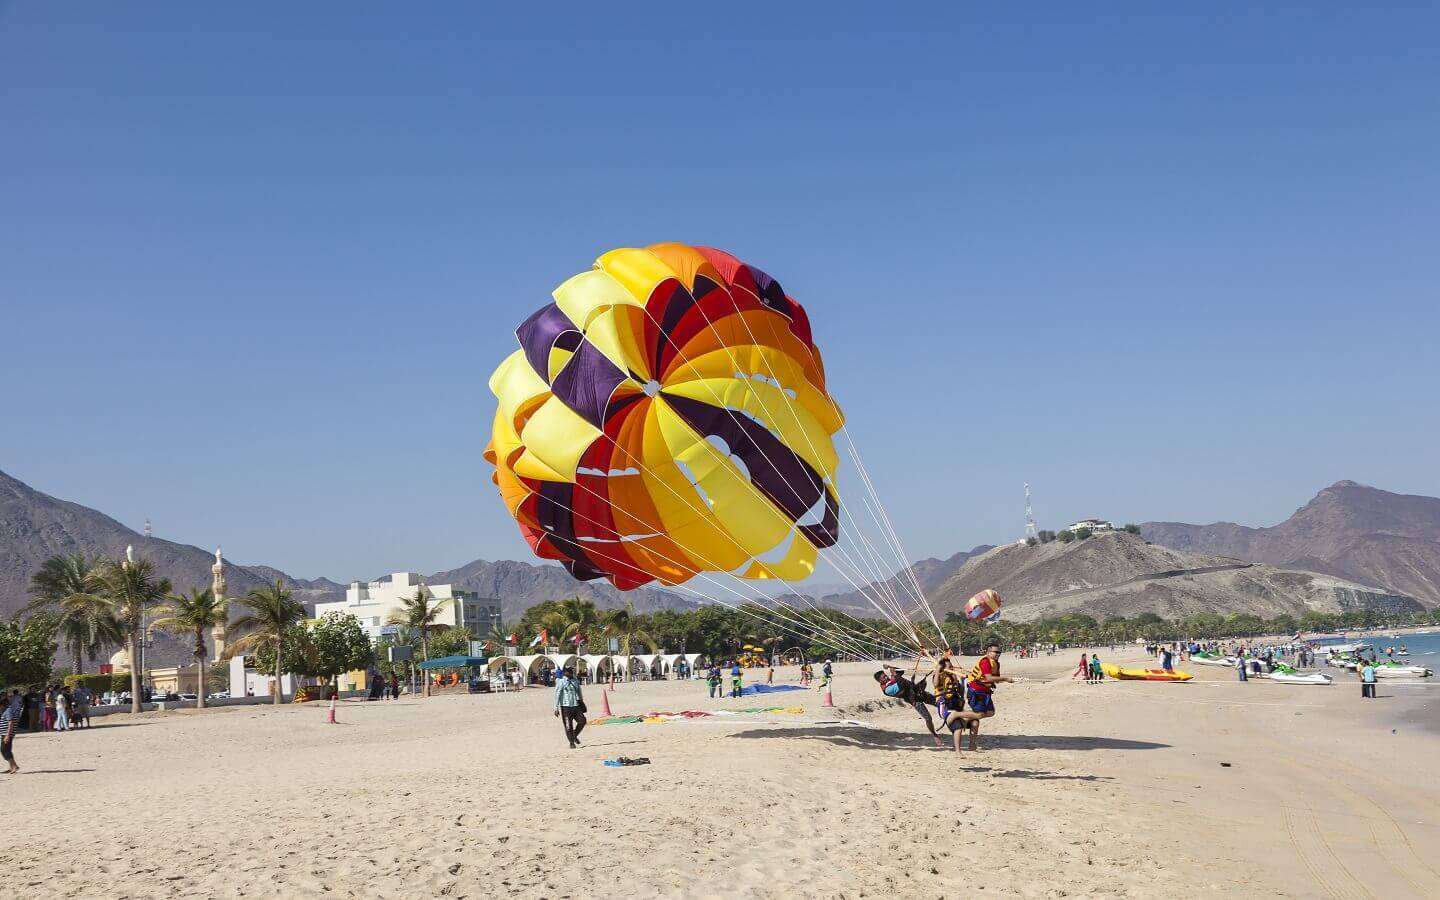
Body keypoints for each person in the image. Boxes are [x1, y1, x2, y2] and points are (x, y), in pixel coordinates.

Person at [963, 643, 1013, 752]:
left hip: (985, 693)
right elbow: (989, 678)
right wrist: (1005, 679)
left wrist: (1005, 680)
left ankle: (965, 721)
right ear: (988, 652)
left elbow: (994, 679)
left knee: (990, 712)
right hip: (976, 692)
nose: (998, 654)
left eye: (999, 652)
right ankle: (962, 720)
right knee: (978, 716)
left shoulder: (996, 664)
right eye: (995, 652)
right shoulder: (985, 662)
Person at [553, 666, 586, 749]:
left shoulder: (575, 681)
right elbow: (557, 694)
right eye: (569, 671)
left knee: (582, 721)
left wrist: (581, 701)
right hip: (565, 707)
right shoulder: (561, 682)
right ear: (565, 673)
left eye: (571, 671)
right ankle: (571, 742)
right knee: (568, 726)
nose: (571, 673)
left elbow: (579, 692)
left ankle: (574, 735)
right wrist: (556, 707)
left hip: (576, 705)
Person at [2, 689, 21, 774]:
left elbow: (11, 723)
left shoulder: (8, 710)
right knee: (7, 750)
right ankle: (11, 767)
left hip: (7, 734)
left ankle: (14, 766)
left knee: (4, 750)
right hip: (5, 733)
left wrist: (7, 735)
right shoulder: (5, 710)